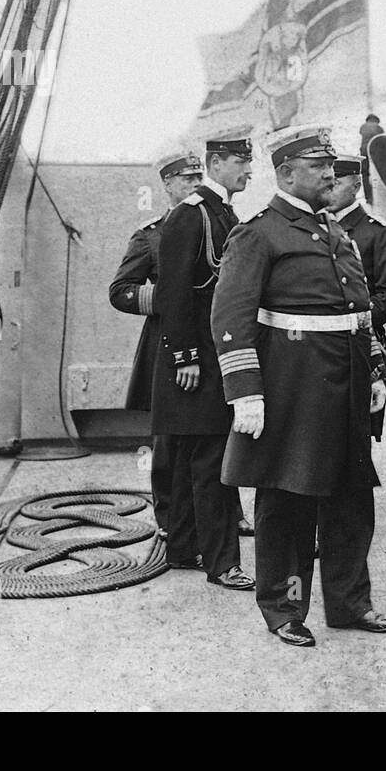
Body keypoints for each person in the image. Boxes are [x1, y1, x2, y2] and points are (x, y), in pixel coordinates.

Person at [214, 124, 386, 647]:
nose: (329, 173)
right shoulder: (258, 233)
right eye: (318, 166)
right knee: (287, 503)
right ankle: (285, 610)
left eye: (331, 165)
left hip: (344, 389)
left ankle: (349, 604)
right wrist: (245, 393)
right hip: (291, 391)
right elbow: (230, 318)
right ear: (285, 174)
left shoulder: (337, 233)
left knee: (350, 499)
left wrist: (374, 371)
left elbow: (357, 312)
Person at [151, 134, 256, 592]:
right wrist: (185, 356)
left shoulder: (222, 212)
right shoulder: (190, 215)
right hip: (197, 362)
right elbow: (173, 293)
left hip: (211, 357)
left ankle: (182, 549)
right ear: (215, 163)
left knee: (193, 458)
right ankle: (222, 563)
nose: (247, 171)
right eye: (239, 162)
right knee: (213, 462)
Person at [108, 151, 203, 536]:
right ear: (167, 184)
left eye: (199, 177)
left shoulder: (218, 226)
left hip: (207, 344)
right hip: (166, 346)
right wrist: (166, 300)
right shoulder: (151, 235)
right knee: (168, 441)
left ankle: (223, 515)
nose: (196, 184)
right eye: (186, 179)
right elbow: (120, 291)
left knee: (214, 436)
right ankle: (169, 520)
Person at [329, 152, 386, 441]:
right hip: (321, 347)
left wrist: (358, 318)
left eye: (336, 182)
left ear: (356, 187)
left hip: (362, 346)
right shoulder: (315, 228)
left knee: (356, 434)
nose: (329, 188)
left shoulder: (375, 233)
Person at [358, 114, 385, 202]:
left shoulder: (363, 127)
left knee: (365, 174)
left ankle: (368, 197)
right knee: (377, 174)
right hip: (375, 151)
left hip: (364, 151)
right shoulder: (379, 128)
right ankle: (378, 196)